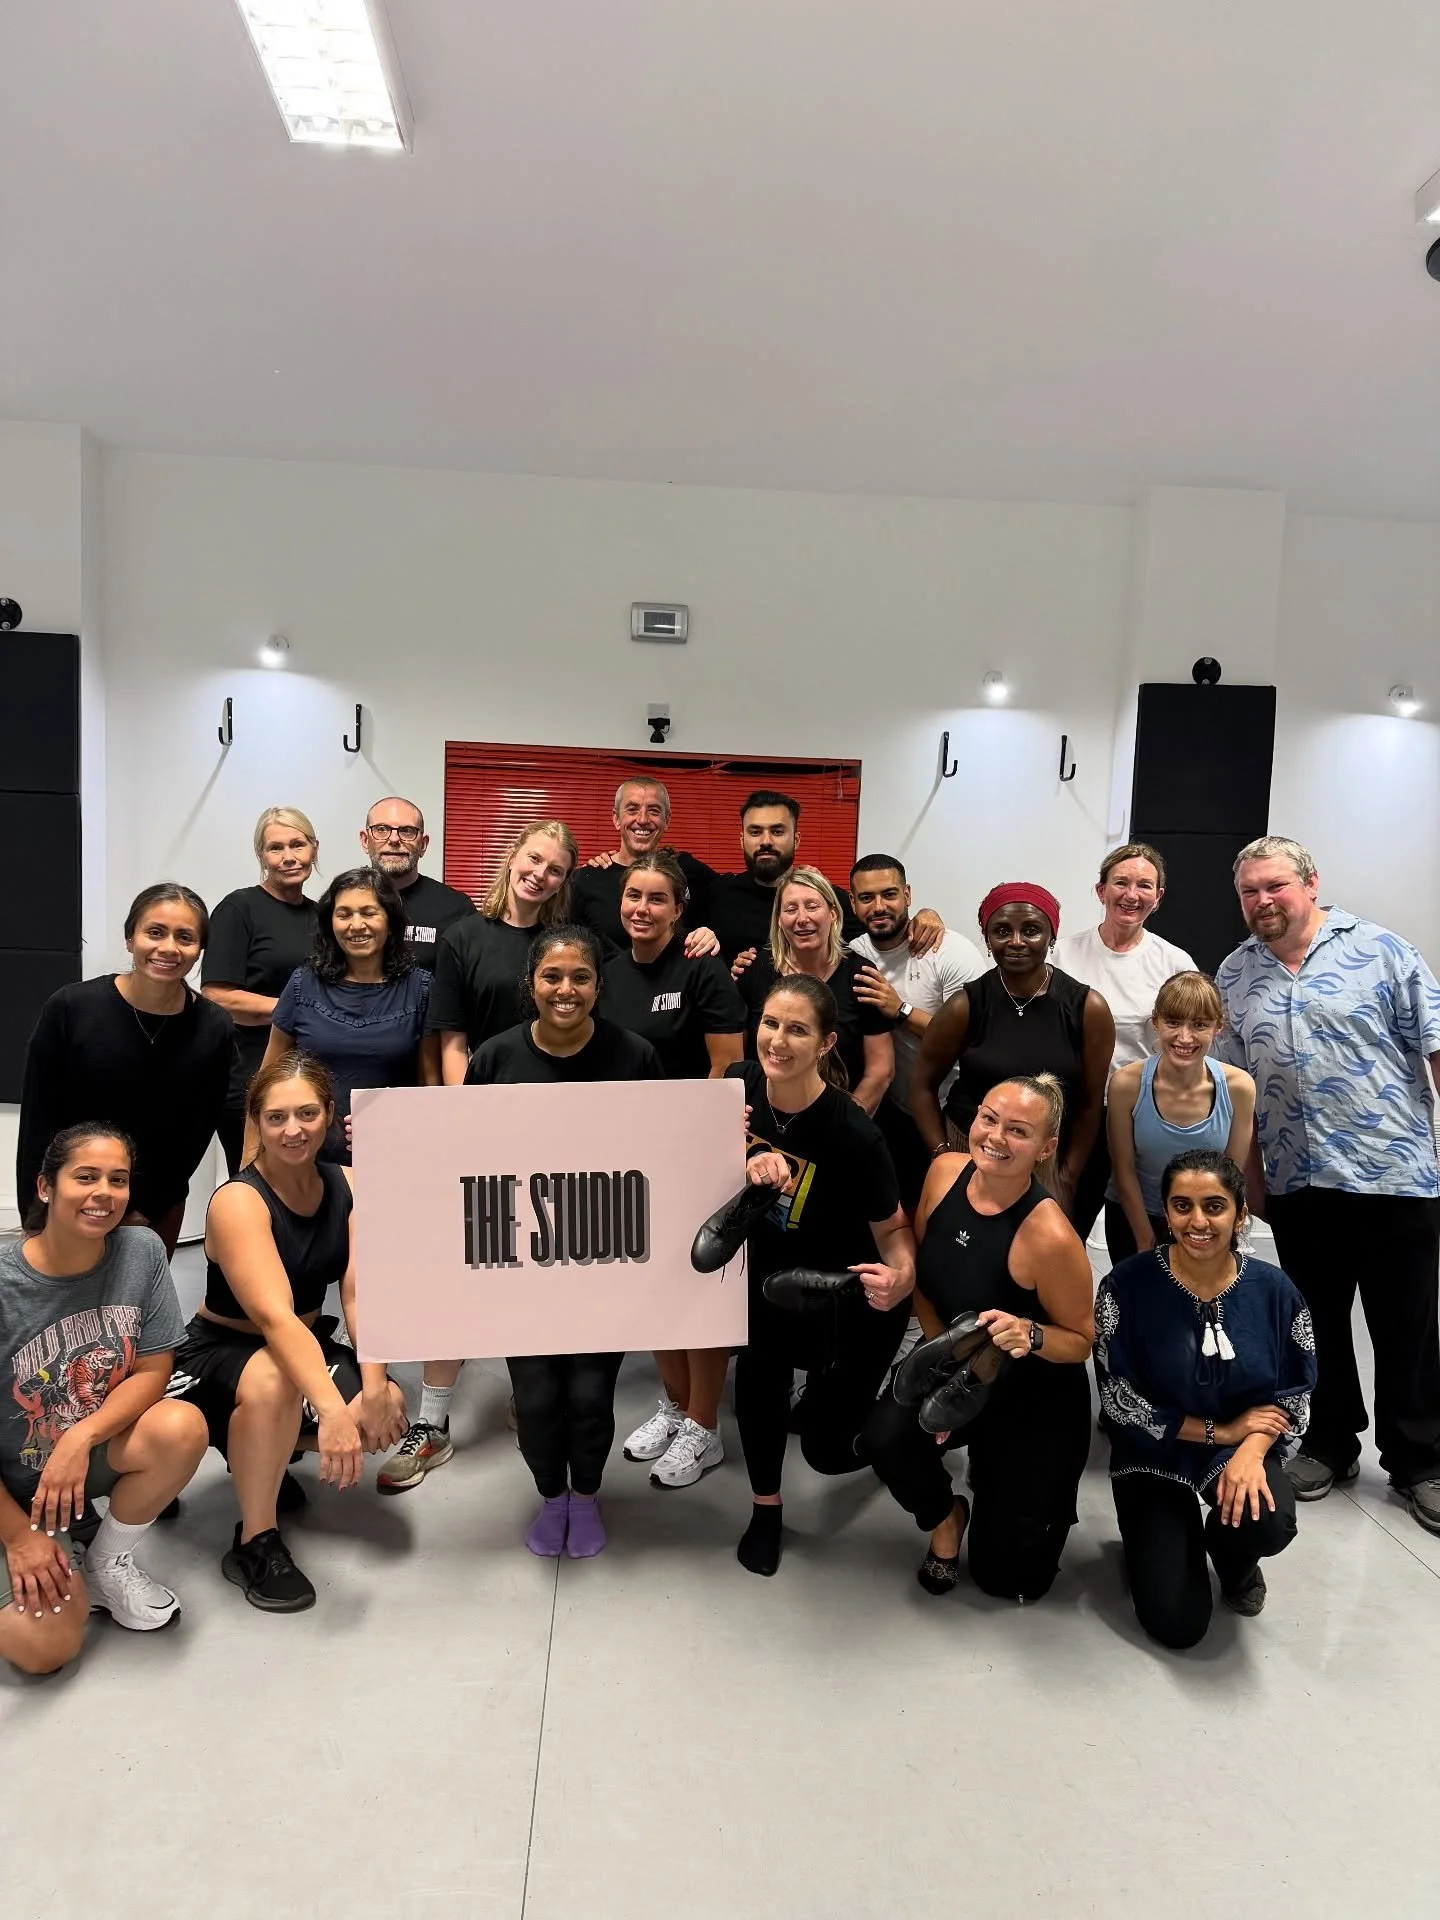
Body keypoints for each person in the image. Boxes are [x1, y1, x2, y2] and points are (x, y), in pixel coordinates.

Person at [1216, 835, 1440, 1534]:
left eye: (1275, 886)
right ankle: (1330, 1442)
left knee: (1407, 1327)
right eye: (1249, 891)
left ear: (1310, 884)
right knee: (1314, 1325)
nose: (1262, 900)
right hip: (1298, 1181)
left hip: (1394, 1175)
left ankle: (1419, 1461)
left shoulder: (1382, 950)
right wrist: (1252, 1180)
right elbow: (1238, 1088)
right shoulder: (1235, 973)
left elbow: (1436, 1047)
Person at [377, 820, 579, 1490]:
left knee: (542, 1268)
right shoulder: (465, 935)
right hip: (480, 1129)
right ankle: (433, 1423)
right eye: (533, 859)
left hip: (553, 1136)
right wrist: (470, 1121)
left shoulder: (569, 944)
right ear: (512, 858)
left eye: (554, 868)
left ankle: (533, 1397)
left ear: (563, 881)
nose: (539, 874)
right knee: (458, 1273)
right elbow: (451, 1039)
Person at [167, 1054, 407, 1612]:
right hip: (221, 1350)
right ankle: (255, 1541)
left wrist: (374, 1387)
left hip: (303, 1340)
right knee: (279, 1383)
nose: (292, 1130)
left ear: (329, 1115)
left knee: (387, 1407)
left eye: (306, 1113)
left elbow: (359, 1293)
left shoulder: (349, 1183)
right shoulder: (237, 1201)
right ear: (256, 1121)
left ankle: (263, 1451)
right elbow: (274, 1318)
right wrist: (331, 1412)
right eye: (276, 1117)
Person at [465, 926, 664, 1558]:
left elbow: (666, 1148)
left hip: (603, 1263)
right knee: (537, 1398)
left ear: (598, 986)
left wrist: (720, 1130)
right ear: (531, 985)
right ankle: (552, 1495)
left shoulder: (635, 1056)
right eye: (551, 976)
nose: (565, 989)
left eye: (580, 977)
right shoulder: (494, 1058)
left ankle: (586, 1495)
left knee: (590, 1395)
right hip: (521, 1268)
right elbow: (463, 1156)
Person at [863, 1077, 1095, 1602]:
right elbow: (924, 1278)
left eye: (1018, 1130)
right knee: (885, 1437)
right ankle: (947, 1518)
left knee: (1008, 1581)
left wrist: (1030, 1333)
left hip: (1034, 1392)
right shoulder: (944, 1172)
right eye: (989, 1119)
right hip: (963, 1366)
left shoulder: (1051, 1238)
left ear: (1045, 1148)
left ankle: (998, 1476)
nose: (995, 1136)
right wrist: (943, 1365)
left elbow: (1081, 1341)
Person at [726, 974, 916, 1577]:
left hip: (841, 1295)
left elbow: (894, 1229)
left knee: (826, 1451)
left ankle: (904, 1431)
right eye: (770, 1023)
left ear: (827, 1043)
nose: (777, 1041)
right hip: (769, 1281)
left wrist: (903, 1277)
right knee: (758, 1385)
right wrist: (733, 1145)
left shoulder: (854, 1133)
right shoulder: (737, 1086)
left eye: (797, 1030)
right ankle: (766, 1508)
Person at [1, 1126, 208, 1673]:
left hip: (78, 1464)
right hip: (11, 1489)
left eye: (118, 1180)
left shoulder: (140, 1250)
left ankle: (103, 1562)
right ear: (45, 1187)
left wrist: (80, 1436)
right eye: (86, 1177)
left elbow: (154, 1369)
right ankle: (43, 1545)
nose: (104, 1193)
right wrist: (19, 1537)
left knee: (180, 1427)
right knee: (44, 1649)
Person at [1095, 1150, 1316, 1647]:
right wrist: (1223, 1430)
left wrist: (1250, 1451)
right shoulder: (1126, 1286)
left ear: (1240, 1215)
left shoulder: (1274, 1291)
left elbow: (1296, 1391)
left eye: (1214, 1206)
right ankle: (1164, 1539)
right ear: (1166, 1212)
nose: (1197, 1221)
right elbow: (1118, 1398)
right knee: (1178, 1625)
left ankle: (1233, 1559)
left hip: (1235, 1451)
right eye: (1182, 1206)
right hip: (1154, 1453)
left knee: (1267, 1521)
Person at [602, 852, 747, 1488]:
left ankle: (705, 1426)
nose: (642, 908)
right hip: (628, 1158)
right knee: (653, 1285)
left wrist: (691, 1145)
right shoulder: (607, 973)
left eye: (657, 898)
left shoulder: (701, 968)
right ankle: (676, 1404)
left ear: (679, 909)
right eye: (633, 896)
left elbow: (726, 1068)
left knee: (697, 1291)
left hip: (693, 1155)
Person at [17, 884, 234, 1258]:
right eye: (155, 932)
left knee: (137, 1296)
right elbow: (38, 1115)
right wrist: (36, 1210)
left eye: (185, 937)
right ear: (130, 938)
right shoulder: (71, 1008)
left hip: (156, 1207)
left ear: (200, 949)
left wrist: (145, 1209)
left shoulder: (214, 1027)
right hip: (69, 1199)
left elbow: (196, 1132)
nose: (168, 947)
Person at [912, 884, 1114, 1218]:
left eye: (1031, 930)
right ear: (987, 938)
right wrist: (943, 1154)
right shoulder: (965, 1005)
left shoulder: (1087, 1009)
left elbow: (1090, 1104)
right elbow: (921, 1086)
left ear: (1051, 937)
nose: (1016, 941)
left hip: (1045, 1156)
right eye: (1002, 931)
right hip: (971, 1149)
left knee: (1035, 1247)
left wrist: (1067, 1174)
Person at [248, 868, 438, 1166]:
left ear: (390, 920)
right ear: (330, 922)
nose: (356, 925)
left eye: (368, 913)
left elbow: (431, 1090)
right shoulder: (303, 983)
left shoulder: (421, 988)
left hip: (393, 1156)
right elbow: (266, 1082)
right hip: (305, 1158)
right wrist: (249, 1165)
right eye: (344, 914)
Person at [1055, 844, 1195, 1240]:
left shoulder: (1174, 963)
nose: (1131, 895)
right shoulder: (1062, 954)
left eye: (1144, 885)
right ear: (1101, 891)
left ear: (1158, 896)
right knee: (1064, 1227)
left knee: (1134, 1234)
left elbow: (1189, 1047)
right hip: (1075, 1115)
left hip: (1141, 1118)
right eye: (1121, 883)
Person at [848, 852, 987, 1215]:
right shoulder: (853, 952)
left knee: (954, 1211)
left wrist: (901, 1010)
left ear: (908, 895)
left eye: (889, 894)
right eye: (866, 897)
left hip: (955, 1111)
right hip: (892, 1110)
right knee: (897, 1210)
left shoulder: (950, 951)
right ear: (852, 903)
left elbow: (973, 1040)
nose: (879, 906)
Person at [202, 806, 321, 1175]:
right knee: (256, 1182)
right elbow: (217, 997)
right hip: (250, 1075)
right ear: (261, 855)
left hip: (307, 1075)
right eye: (275, 848)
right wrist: (294, 1008)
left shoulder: (324, 916)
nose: (288, 857)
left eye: (297, 845)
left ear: (314, 848)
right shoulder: (239, 908)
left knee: (306, 1184)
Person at [1107, 971, 1255, 1257]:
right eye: (1173, 1022)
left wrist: (1215, 1230)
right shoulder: (1126, 1084)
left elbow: (1232, 1174)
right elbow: (1123, 1168)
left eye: (1199, 1025)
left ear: (1218, 1026)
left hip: (1205, 1220)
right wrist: (1144, 1238)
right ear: (1156, 1023)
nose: (1184, 1037)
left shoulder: (1239, 1087)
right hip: (1137, 1215)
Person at [737, 866, 895, 1115]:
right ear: (778, 919)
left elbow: (880, 1070)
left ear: (833, 913)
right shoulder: (754, 970)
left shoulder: (860, 975)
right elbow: (736, 1061)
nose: (802, 918)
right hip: (765, 1117)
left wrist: (845, 1123)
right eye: (791, 909)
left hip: (840, 1118)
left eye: (812, 906)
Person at [570, 777, 715, 950]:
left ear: (667, 820)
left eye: (654, 811)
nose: (643, 819)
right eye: (632, 809)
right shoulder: (586, 880)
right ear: (616, 819)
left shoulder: (688, 870)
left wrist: (710, 935)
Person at [359, 794, 476, 967]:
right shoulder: (342, 904)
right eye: (381, 829)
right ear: (365, 840)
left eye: (407, 831)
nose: (394, 839)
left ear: (423, 844)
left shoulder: (457, 909)